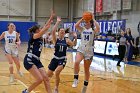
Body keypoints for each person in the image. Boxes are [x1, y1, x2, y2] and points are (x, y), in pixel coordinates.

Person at [22, 10, 54, 93]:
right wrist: (46, 27)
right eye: (39, 29)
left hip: (37, 60)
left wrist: (51, 17)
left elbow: (45, 27)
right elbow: (44, 29)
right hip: (29, 59)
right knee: (39, 79)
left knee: (46, 78)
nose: (41, 29)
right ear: (36, 30)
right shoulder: (33, 36)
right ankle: (26, 91)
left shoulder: (39, 37)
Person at [47, 16, 77, 93]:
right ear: (59, 32)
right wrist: (57, 22)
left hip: (62, 58)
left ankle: (56, 88)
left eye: (63, 31)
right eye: (61, 31)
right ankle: (48, 87)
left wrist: (75, 37)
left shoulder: (66, 40)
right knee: (48, 75)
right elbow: (53, 31)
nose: (62, 32)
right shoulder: (55, 39)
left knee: (57, 72)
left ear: (64, 33)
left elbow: (74, 44)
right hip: (55, 58)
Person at [72, 14, 100, 93]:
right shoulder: (82, 29)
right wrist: (82, 18)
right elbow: (76, 25)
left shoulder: (93, 30)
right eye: (85, 21)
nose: (85, 22)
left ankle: (84, 86)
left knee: (86, 69)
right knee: (76, 62)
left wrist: (93, 19)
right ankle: (75, 79)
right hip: (81, 49)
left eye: (87, 21)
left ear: (90, 23)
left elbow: (98, 28)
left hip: (89, 51)